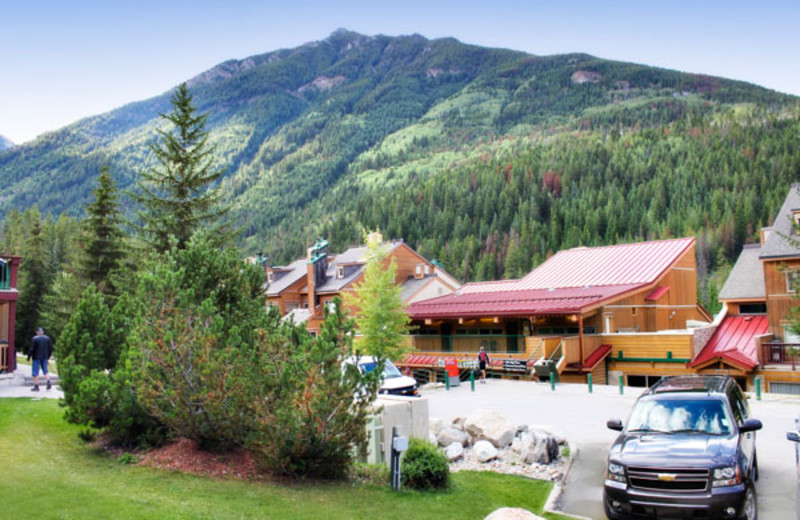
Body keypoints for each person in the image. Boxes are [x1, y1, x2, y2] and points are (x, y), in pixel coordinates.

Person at [28, 327, 53, 391]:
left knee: (35, 372)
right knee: (45, 370)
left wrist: (28, 357)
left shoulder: (35, 339)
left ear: (37, 332)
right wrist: (49, 356)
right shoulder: (47, 338)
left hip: (36, 357)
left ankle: (36, 386)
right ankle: (48, 381)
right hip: (44, 357)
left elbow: (32, 349)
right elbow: (50, 348)